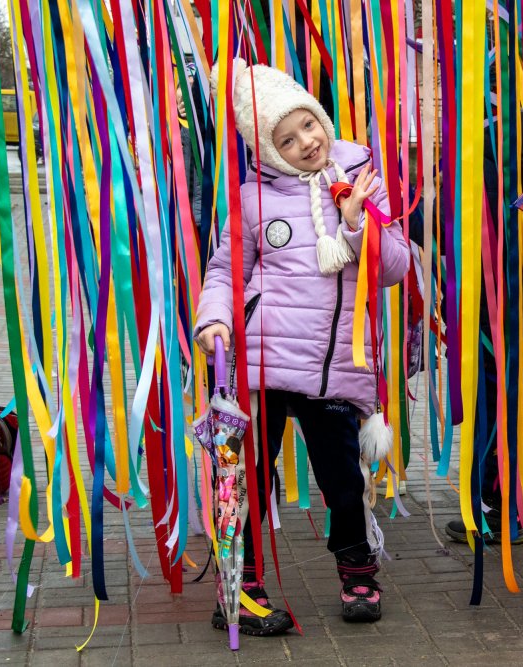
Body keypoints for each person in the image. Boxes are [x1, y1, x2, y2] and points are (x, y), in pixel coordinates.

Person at [194, 59, 411, 635]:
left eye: (308, 127)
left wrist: (357, 222)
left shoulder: (361, 175)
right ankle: (242, 586)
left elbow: (394, 268)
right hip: (262, 363)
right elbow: (223, 271)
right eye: (285, 140)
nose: (304, 143)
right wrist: (213, 320)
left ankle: (358, 571)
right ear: (267, 151)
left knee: (341, 478)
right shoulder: (252, 200)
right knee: (247, 476)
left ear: (320, 118)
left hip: (334, 365)